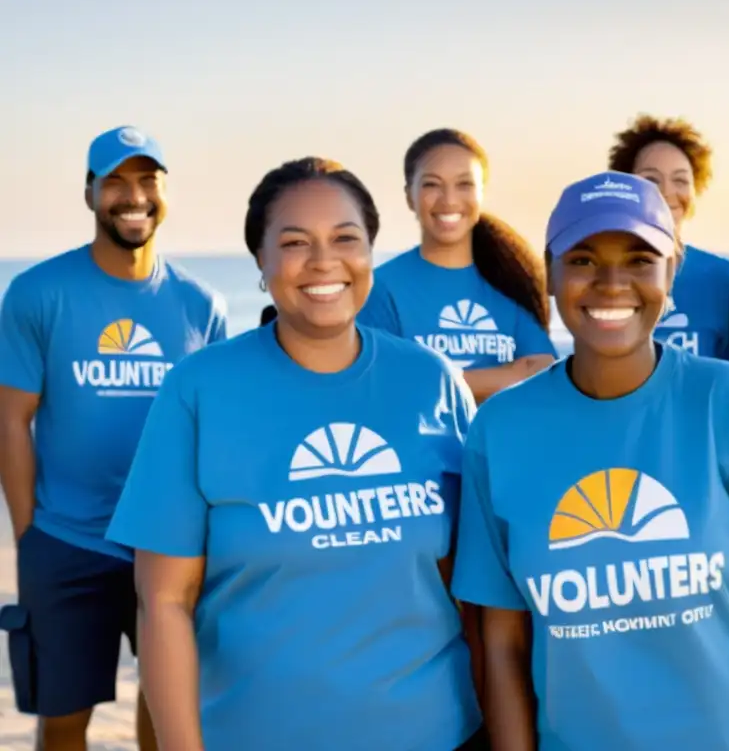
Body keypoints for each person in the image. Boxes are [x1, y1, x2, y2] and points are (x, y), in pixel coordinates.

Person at [103, 157, 485, 751]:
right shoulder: (198, 391)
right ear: (260, 260)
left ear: (371, 254)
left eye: (345, 239)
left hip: (439, 733)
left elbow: (473, 589)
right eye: (295, 242)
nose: (323, 261)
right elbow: (164, 602)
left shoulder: (432, 382)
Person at [451, 170, 729, 750]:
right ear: (551, 275)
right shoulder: (500, 430)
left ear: (671, 272)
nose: (612, 284)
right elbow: (504, 645)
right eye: (583, 260)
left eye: (639, 259)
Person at [0, 125, 227, 751]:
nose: (134, 197)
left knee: (168, 707)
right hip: (68, 540)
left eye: (147, 181)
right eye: (116, 183)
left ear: (164, 192)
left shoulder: (200, 303)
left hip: (170, 543)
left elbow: (215, 428)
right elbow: (11, 419)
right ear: (90, 193)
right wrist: (29, 537)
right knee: (65, 720)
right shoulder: (37, 293)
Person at [358, 128, 557, 402]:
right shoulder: (381, 288)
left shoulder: (510, 278)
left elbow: (544, 372)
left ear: (482, 192)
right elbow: (381, 384)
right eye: (432, 184)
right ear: (409, 196)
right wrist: (506, 375)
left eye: (464, 184)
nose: (449, 199)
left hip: (499, 444)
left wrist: (433, 380)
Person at [608, 113, 729, 360]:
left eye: (681, 180)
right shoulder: (604, 274)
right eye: (651, 179)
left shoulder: (720, 279)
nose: (667, 192)